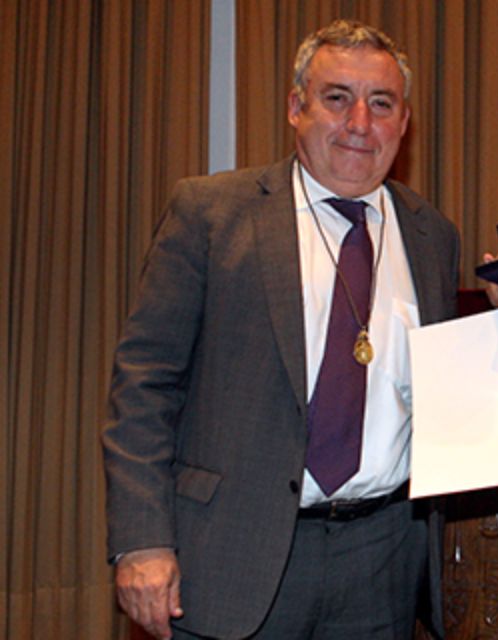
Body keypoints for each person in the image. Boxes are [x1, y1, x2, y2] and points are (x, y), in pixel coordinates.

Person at [102, 20, 458, 639]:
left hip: (382, 559)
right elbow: (144, 387)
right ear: (296, 107)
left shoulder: (433, 235)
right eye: (336, 97)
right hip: (233, 552)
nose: (359, 123)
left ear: (404, 123)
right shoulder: (211, 214)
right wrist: (141, 540)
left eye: (381, 104)